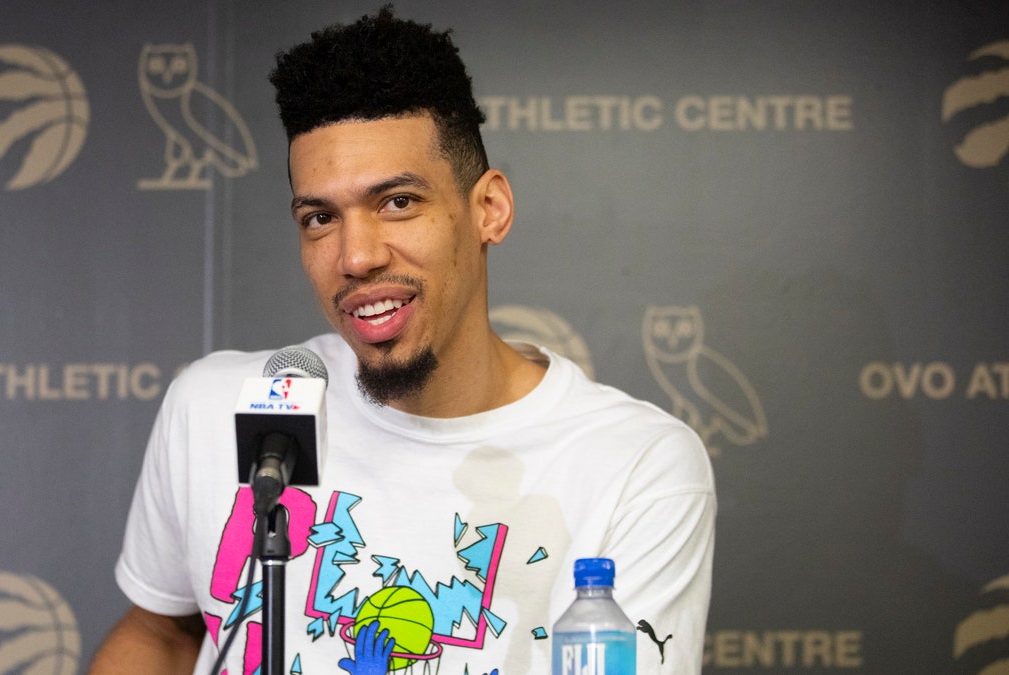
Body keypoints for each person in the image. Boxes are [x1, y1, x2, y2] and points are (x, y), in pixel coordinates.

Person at [90, 7, 714, 675]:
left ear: (489, 209)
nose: (356, 256)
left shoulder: (637, 466)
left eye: (397, 202)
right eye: (320, 216)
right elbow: (161, 633)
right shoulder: (218, 406)